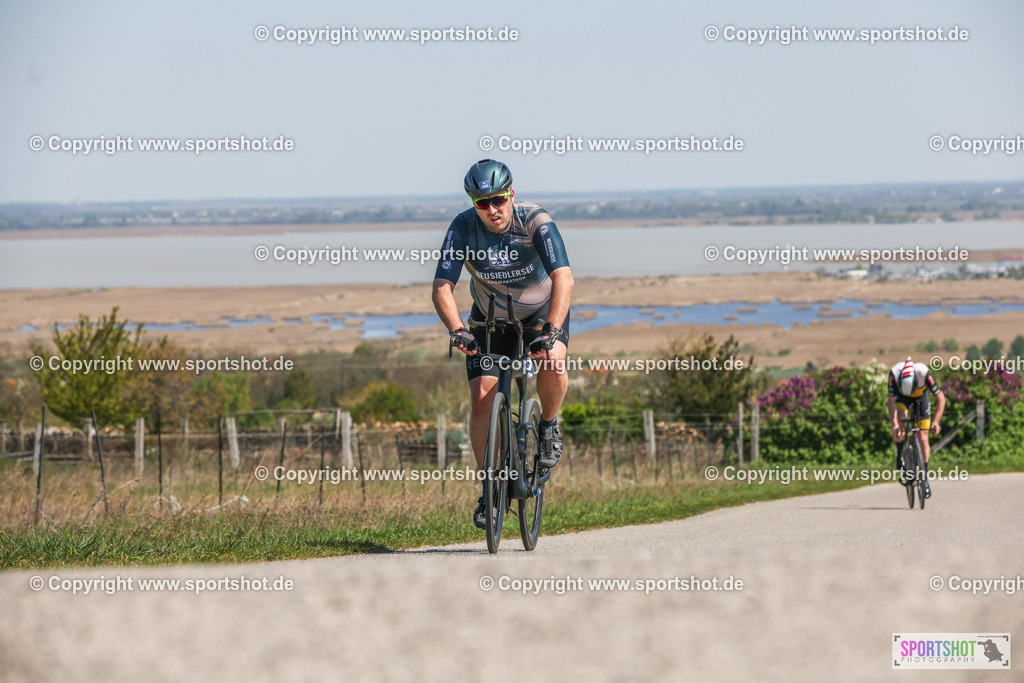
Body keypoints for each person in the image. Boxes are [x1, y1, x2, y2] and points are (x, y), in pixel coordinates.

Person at [431, 159, 574, 528]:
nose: (492, 209)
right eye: (482, 203)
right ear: (472, 202)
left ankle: (547, 424)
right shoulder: (462, 227)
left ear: (510, 194)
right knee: (482, 397)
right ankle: (490, 490)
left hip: (542, 314)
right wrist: (456, 328)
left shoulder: (535, 221)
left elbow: (564, 278)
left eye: (498, 199)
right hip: (490, 320)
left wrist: (551, 329)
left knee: (553, 363)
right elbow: (441, 286)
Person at [887, 356, 945, 498]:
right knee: (900, 427)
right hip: (902, 398)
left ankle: (924, 478)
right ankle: (900, 455)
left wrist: (936, 422)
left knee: (923, 437)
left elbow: (941, 399)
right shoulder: (894, 374)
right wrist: (895, 424)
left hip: (921, 397)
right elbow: (891, 402)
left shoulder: (924, 373)